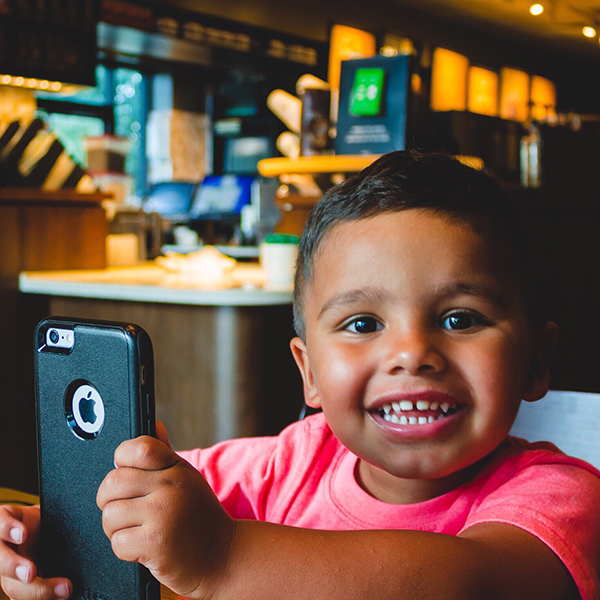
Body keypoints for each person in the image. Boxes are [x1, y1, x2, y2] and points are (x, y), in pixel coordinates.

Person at [2, 150, 600, 600]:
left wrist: (224, 554)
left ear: (537, 360)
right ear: (308, 373)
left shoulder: (562, 498)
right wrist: (56, 535)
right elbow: (157, 508)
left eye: (459, 317)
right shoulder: (290, 465)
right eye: (364, 323)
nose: (413, 352)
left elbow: (470, 586)